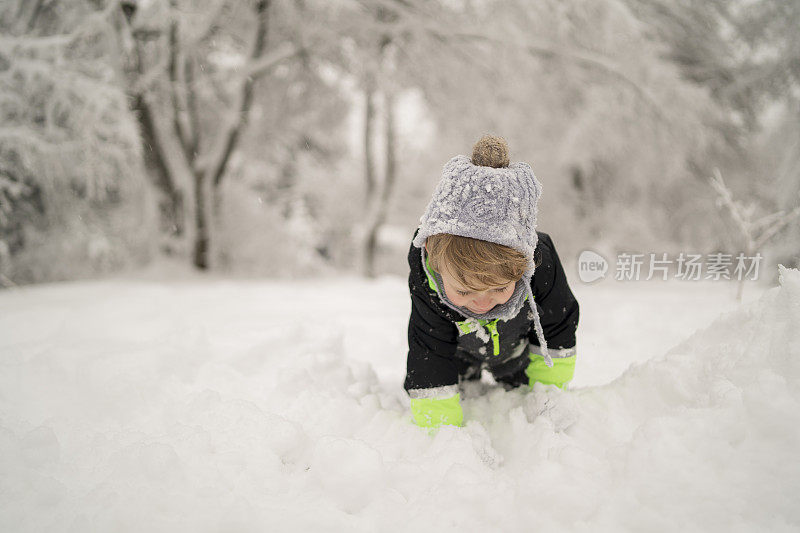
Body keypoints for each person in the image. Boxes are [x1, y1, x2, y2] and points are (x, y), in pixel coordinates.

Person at [405, 135, 580, 428]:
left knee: (522, 385)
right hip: (456, 351)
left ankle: (516, 375)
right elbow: (429, 352)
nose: (483, 302)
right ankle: (464, 376)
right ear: (433, 261)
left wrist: (547, 395)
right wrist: (440, 434)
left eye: (499, 288)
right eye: (464, 290)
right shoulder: (428, 279)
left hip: (517, 350)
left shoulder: (540, 263)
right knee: (438, 378)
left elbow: (557, 328)